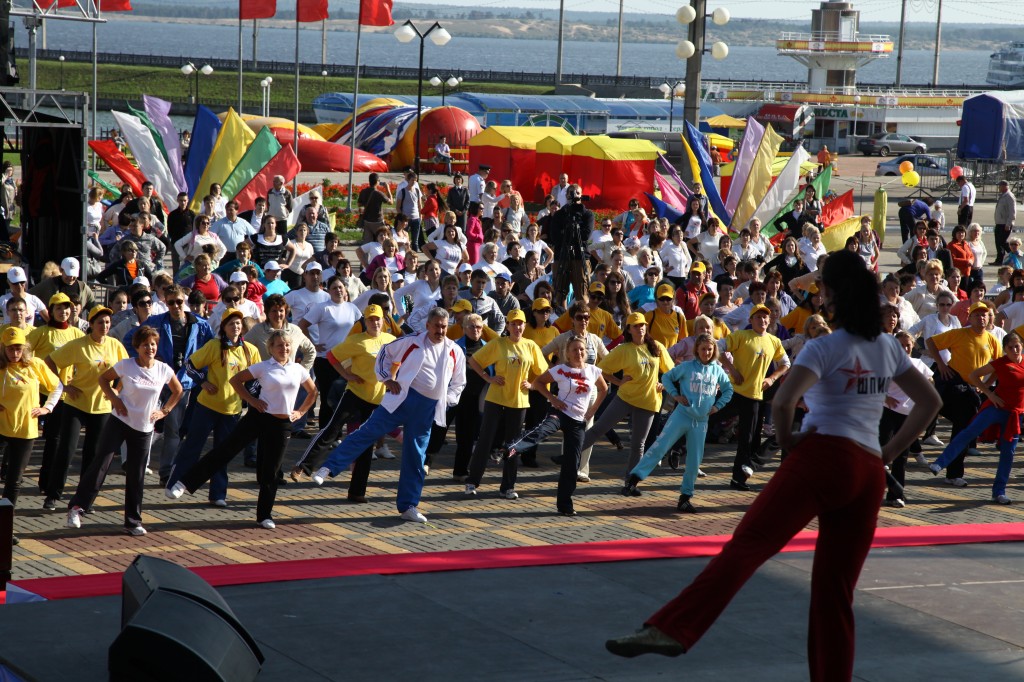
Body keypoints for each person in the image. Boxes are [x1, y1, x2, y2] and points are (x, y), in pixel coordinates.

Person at [606, 250, 942, 682]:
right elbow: (929, 402)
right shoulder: (886, 347)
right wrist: (888, 454)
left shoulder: (823, 346)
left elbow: (782, 400)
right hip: (867, 472)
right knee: (834, 594)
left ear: (833, 293)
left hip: (823, 456)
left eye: (821, 285)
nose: (816, 291)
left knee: (749, 545)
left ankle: (673, 628)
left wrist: (787, 441)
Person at [310, 308, 466, 524]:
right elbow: (385, 352)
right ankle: (329, 467)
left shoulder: (454, 350)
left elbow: (459, 382)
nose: (440, 330)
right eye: (436, 325)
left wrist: (446, 399)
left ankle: (409, 505)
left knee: (416, 456)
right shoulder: (412, 341)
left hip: (427, 408)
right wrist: (385, 378)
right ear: (428, 326)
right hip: (402, 398)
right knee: (368, 431)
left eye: (444, 326)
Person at [168, 330, 317, 528]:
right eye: (279, 345)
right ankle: (184, 482)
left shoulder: (298, 369)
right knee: (226, 450)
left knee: (271, 471)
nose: (284, 349)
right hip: (259, 417)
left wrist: (300, 412)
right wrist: (252, 400)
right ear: (271, 349)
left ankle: (264, 515)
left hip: (282, 424)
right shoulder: (264, 367)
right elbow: (236, 381)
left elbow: (312, 392)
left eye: (287, 345)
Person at [65, 326, 182, 535]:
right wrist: (115, 400)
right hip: (119, 422)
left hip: (144, 428)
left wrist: (164, 411)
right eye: (145, 344)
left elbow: (178, 390)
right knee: (102, 463)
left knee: (137, 474)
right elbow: (103, 379)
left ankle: (133, 521)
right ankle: (77, 508)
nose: (150, 348)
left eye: (153, 344)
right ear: (137, 347)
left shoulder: (163, 369)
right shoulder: (126, 365)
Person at [290, 304, 397, 495]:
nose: (374, 322)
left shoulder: (390, 341)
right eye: (370, 319)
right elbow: (332, 356)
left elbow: (398, 362)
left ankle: (357, 492)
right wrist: (346, 375)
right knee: (332, 429)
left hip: (377, 400)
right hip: (355, 394)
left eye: (377, 319)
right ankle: (303, 466)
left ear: (383, 321)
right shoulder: (356, 341)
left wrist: (393, 379)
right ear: (364, 321)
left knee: (365, 444)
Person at [623, 333, 733, 511]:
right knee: (660, 446)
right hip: (681, 416)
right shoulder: (687, 366)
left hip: (701, 421)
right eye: (703, 348)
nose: (706, 352)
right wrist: (676, 395)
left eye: (709, 349)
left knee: (694, 461)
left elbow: (728, 390)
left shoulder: (717, 370)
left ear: (714, 351)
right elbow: (666, 377)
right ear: (696, 349)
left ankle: (685, 497)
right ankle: (633, 480)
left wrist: (717, 406)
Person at [165, 308, 260, 506]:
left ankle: (218, 494)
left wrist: (251, 396)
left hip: (232, 410)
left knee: (222, 452)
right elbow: (191, 365)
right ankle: (173, 483)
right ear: (223, 327)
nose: (235, 327)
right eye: (231, 323)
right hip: (207, 407)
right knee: (193, 446)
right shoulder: (214, 345)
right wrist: (203, 382)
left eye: (238, 324)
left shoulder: (250, 350)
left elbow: (257, 376)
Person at [43, 305, 128, 510]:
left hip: (102, 407)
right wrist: (65, 386)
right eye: (100, 322)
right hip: (76, 404)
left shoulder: (115, 345)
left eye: (108, 322)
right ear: (90, 325)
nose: (105, 326)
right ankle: (53, 495)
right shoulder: (79, 345)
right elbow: (49, 361)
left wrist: (117, 389)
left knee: (93, 455)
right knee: (67, 449)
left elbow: (127, 370)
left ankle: (83, 500)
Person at [929, 331, 1024, 504]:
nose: (1014, 350)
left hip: (1015, 415)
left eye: (1017, 346)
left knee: (1008, 454)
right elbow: (974, 375)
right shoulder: (1000, 363)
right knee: (970, 431)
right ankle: (940, 462)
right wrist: (989, 393)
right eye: (1010, 347)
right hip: (995, 408)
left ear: (1022, 347)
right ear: (1005, 349)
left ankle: (999, 492)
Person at [463, 309, 548, 498]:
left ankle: (508, 487)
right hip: (495, 399)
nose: (517, 327)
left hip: (519, 402)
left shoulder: (531, 345)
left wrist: (533, 384)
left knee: (512, 445)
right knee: (485, 440)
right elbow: (475, 361)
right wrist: (488, 377)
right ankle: (472, 482)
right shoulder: (499, 343)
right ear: (508, 326)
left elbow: (543, 371)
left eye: (520, 323)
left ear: (525, 325)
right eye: (513, 323)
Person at [520, 336, 609, 515]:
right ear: (567, 353)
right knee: (541, 432)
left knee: (572, 464)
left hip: (578, 422)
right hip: (560, 414)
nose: (579, 353)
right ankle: (513, 448)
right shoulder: (560, 369)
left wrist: (592, 410)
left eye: (582, 350)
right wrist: (552, 398)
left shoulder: (593, 370)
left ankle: (565, 505)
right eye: (575, 350)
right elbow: (538, 382)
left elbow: (604, 389)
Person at [579, 312, 673, 481]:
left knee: (639, 445)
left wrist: (664, 383)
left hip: (648, 401)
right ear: (628, 329)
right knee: (598, 429)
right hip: (625, 398)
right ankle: (571, 454)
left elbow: (672, 372)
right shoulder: (624, 349)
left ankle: (631, 482)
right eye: (635, 326)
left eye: (642, 325)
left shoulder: (656, 347)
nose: (640, 328)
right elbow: (600, 369)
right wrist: (617, 381)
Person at [713, 304, 791, 491]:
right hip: (733, 393)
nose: (763, 320)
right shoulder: (741, 336)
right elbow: (718, 347)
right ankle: (679, 446)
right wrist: (732, 369)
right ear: (750, 320)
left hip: (755, 397)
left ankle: (738, 479)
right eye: (758, 317)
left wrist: (772, 379)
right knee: (708, 417)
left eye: (766, 317)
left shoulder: (774, 341)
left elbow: (786, 363)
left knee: (747, 440)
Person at [926, 302, 1002, 486]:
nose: (981, 318)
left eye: (984, 314)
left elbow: (1000, 365)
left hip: (971, 389)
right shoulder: (960, 333)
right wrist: (941, 365)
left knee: (963, 428)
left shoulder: (992, 340)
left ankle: (953, 473)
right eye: (977, 315)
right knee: (959, 425)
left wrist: (986, 384)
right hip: (952, 382)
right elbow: (930, 342)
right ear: (970, 317)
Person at [0, 327, 62, 532]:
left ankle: (5, 527)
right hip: (1, 426)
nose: (15, 353)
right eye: (10, 349)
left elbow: (57, 386)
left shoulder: (35, 364)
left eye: (18, 349)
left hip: (26, 430)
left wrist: (47, 408)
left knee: (14, 480)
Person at [547, 183, 594, 307]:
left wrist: (567, 233)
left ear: (581, 195)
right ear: (566, 195)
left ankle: (582, 317)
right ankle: (560, 318)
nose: (574, 195)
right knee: (559, 293)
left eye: (577, 193)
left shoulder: (587, 214)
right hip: (561, 256)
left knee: (582, 293)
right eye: (571, 192)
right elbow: (554, 237)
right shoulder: (559, 214)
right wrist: (570, 233)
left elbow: (585, 236)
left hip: (580, 257)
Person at [357, 173, 393, 243]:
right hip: (378, 221)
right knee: (381, 241)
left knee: (367, 243)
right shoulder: (379, 193)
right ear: (377, 181)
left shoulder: (363, 191)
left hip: (367, 221)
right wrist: (388, 189)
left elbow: (359, 204)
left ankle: (366, 254)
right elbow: (391, 202)